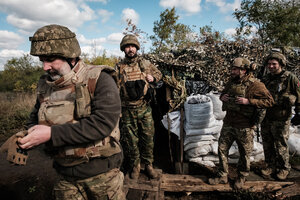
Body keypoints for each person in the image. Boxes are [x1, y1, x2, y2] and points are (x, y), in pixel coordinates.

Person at [17, 24, 125, 199]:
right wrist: (29, 135)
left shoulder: (100, 79)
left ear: (71, 57)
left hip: (103, 177)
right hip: (64, 176)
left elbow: (102, 124)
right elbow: (34, 118)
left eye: (51, 59)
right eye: (42, 60)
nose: (45, 67)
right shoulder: (45, 85)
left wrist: (51, 134)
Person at [208, 58, 274, 189]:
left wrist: (248, 101)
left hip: (245, 125)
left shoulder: (255, 85)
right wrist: (222, 97)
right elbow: (223, 94)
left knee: (244, 153)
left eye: (235, 69)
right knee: (222, 149)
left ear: (244, 70)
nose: (232, 71)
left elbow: (270, 101)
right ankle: (222, 175)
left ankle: (242, 177)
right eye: (232, 69)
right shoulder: (231, 82)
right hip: (229, 123)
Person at [116, 34, 162, 179]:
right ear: (124, 49)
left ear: (137, 48)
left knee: (148, 138)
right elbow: (113, 86)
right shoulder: (119, 66)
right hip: (127, 110)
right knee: (130, 141)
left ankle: (148, 165)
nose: (130, 49)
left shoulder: (145, 64)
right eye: (128, 47)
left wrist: (153, 78)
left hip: (144, 109)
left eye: (133, 46)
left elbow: (159, 75)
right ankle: (135, 166)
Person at [260, 52, 300, 180]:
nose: (271, 66)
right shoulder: (265, 79)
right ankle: (270, 165)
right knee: (267, 143)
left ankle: (284, 168)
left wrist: (298, 110)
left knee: (281, 144)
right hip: (267, 116)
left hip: (281, 117)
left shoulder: (290, 78)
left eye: (274, 64)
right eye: (269, 64)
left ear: (281, 64)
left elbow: (299, 95)